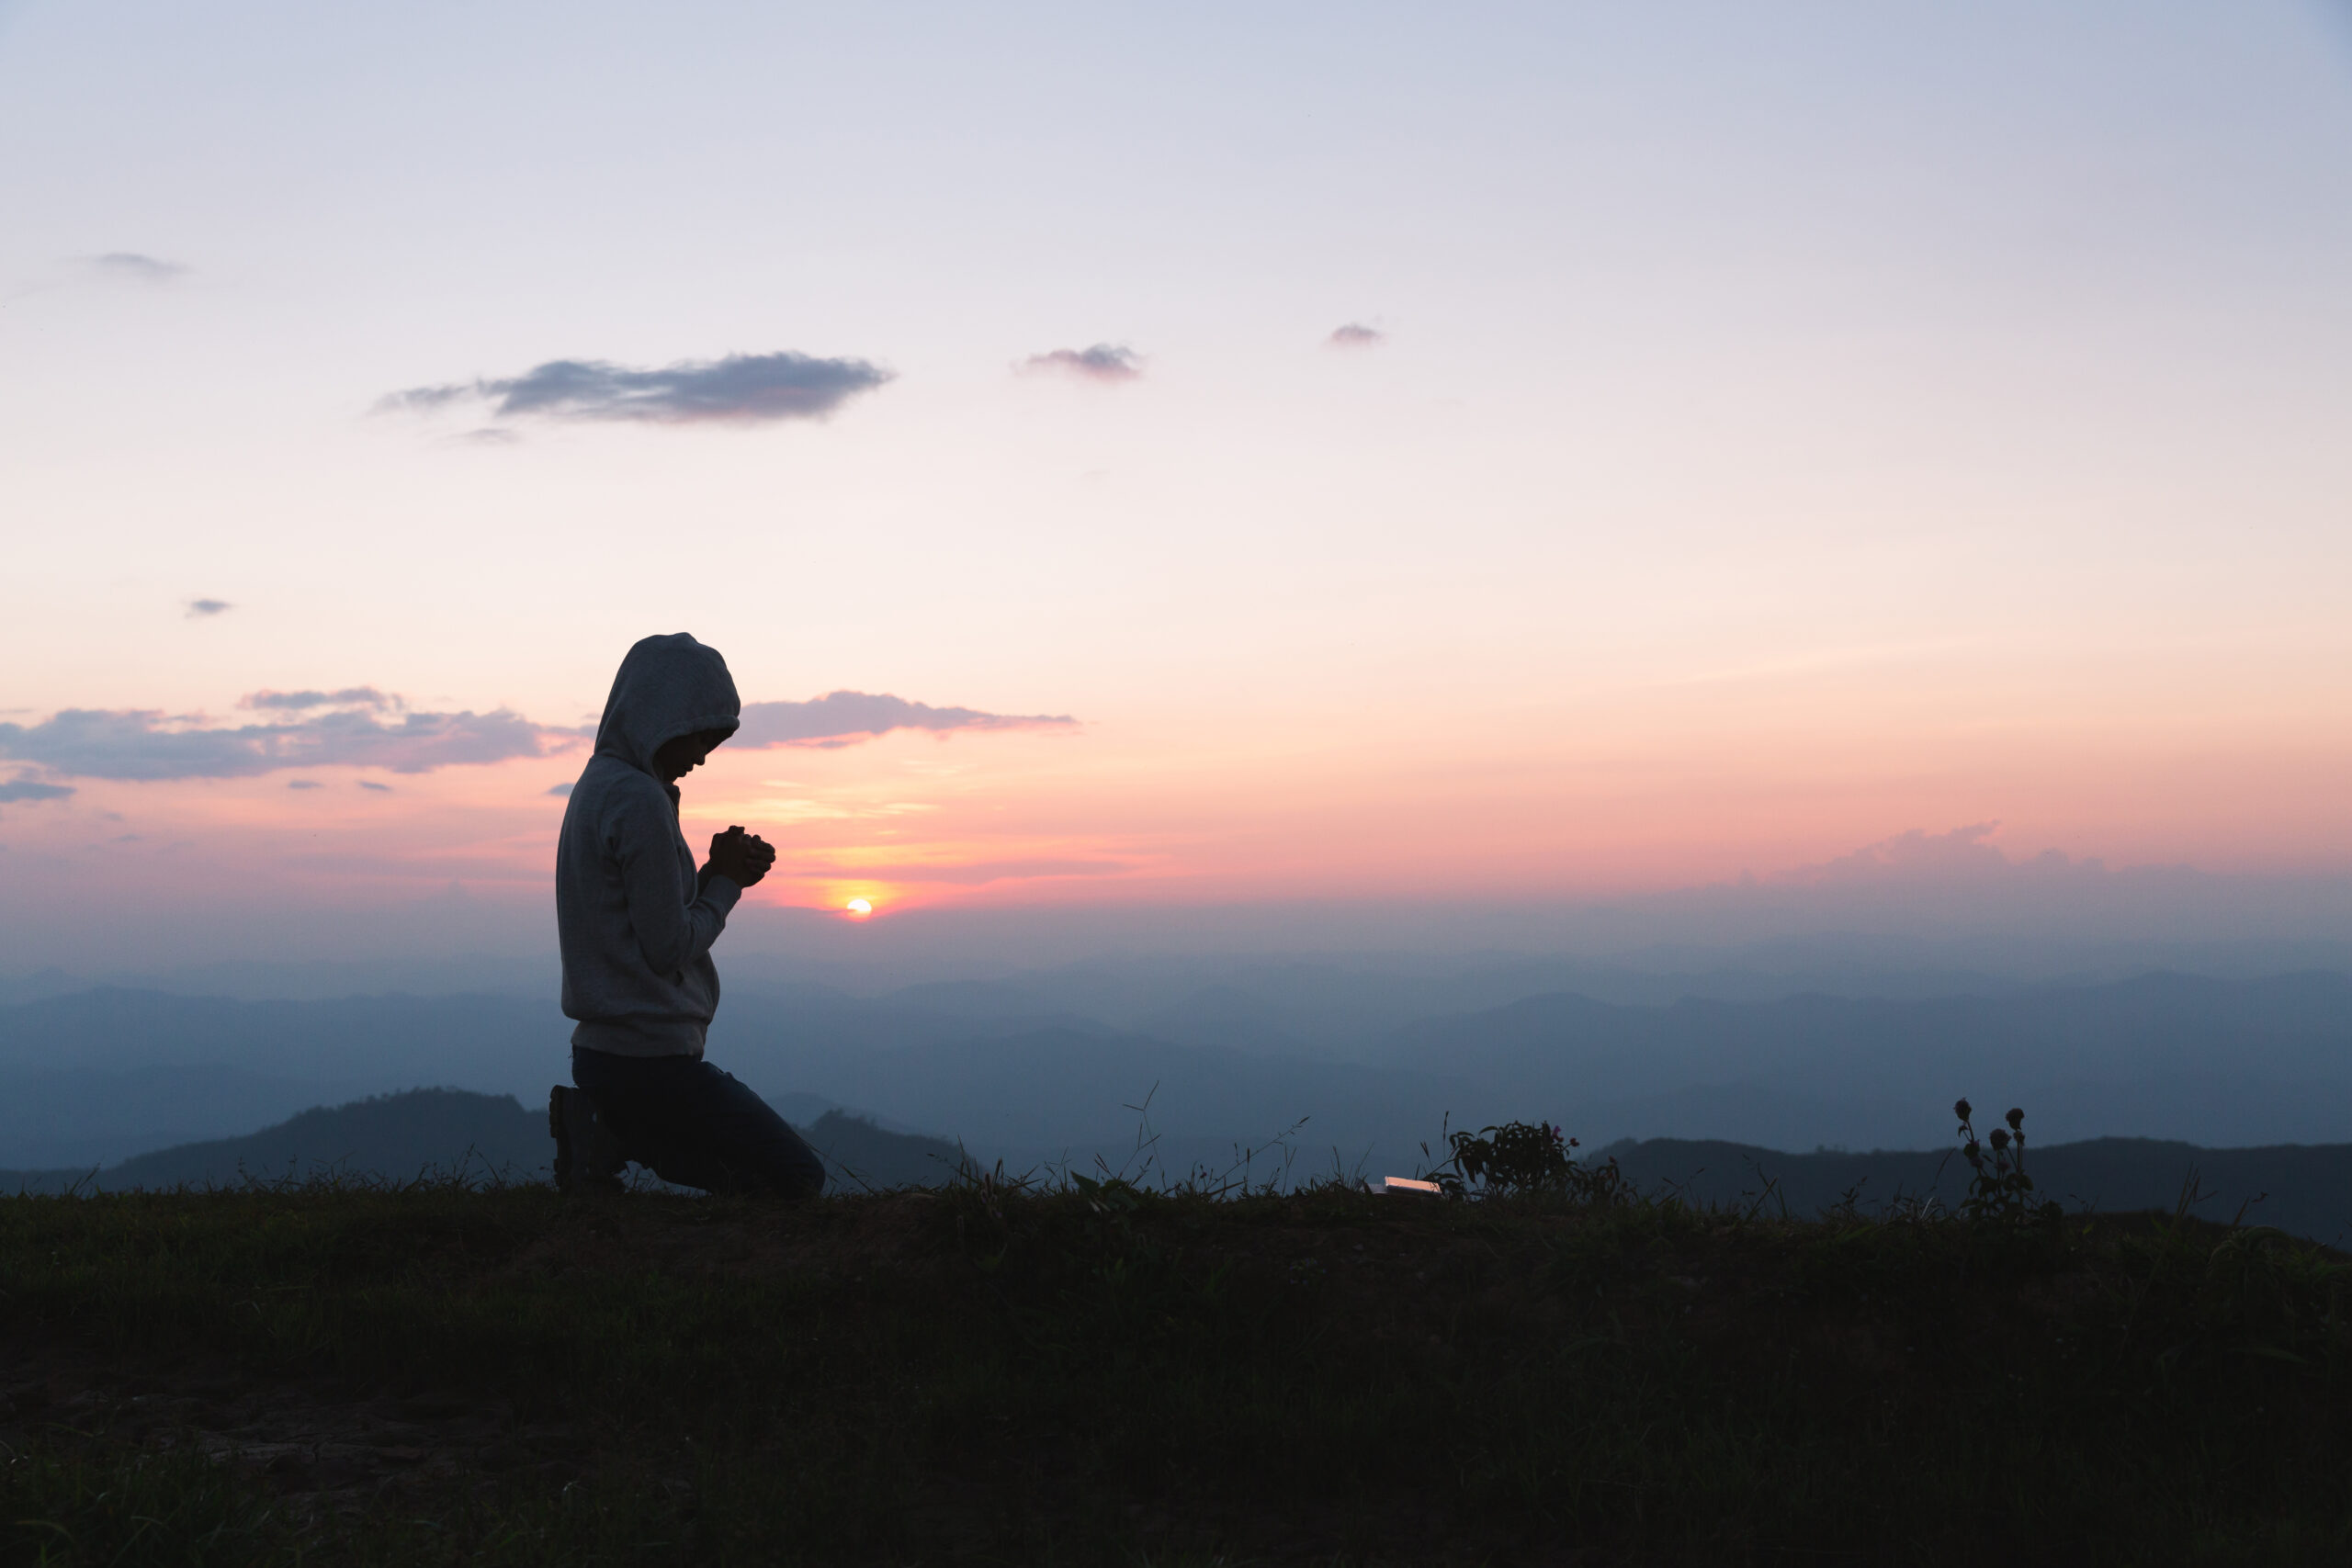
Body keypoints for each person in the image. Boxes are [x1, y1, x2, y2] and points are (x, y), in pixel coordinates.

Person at [548, 632, 827, 1199]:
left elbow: (643, 920)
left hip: (605, 1056)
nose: (701, 755)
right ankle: (609, 1138)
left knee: (748, 1171)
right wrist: (725, 884)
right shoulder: (639, 800)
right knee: (796, 1177)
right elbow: (669, 948)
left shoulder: (598, 785)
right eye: (698, 735)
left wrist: (715, 873)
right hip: (648, 1062)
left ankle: (602, 1135)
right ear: (660, 716)